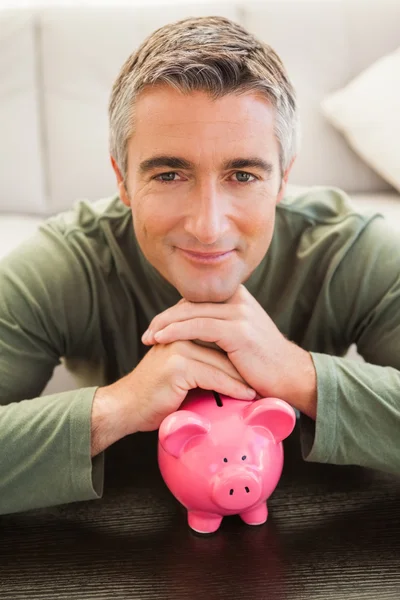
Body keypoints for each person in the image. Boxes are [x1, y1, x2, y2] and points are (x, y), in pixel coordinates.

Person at [0, 15, 399, 517]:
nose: (208, 227)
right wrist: (117, 407)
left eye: (243, 174)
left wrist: (300, 375)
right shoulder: (65, 265)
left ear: (282, 179)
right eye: (169, 174)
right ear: (122, 180)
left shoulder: (350, 252)